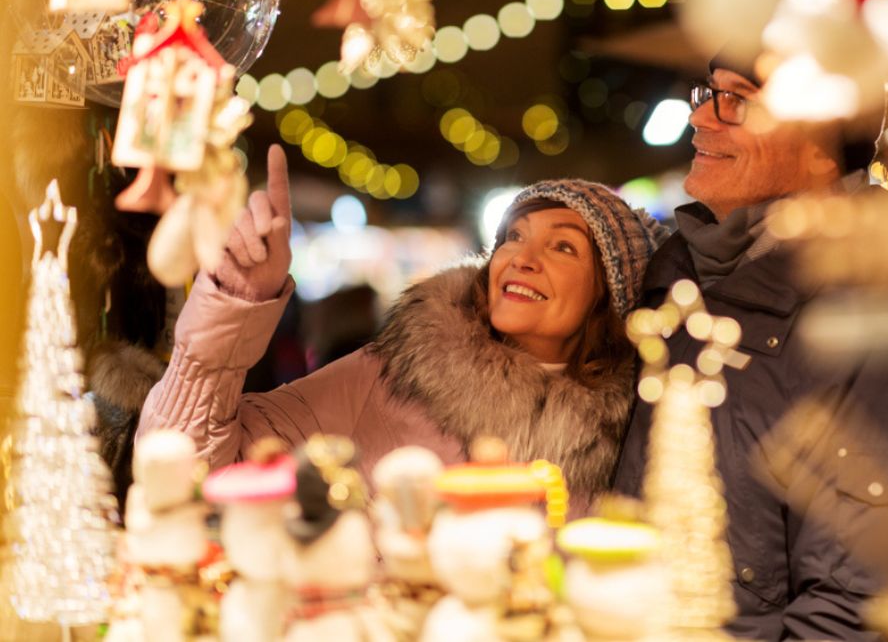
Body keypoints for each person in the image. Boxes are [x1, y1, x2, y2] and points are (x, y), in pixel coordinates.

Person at [613, 62, 888, 641]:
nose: (701, 118)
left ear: (822, 141)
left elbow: (862, 601)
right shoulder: (677, 277)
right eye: (709, 94)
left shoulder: (877, 310)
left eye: (738, 100)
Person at [136, 145, 666, 505]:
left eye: (563, 247)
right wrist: (235, 303)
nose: (521, 259)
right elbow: (183, 469)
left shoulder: (632, 437)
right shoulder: (393, 376)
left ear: (610, 294)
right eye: (514, 236)